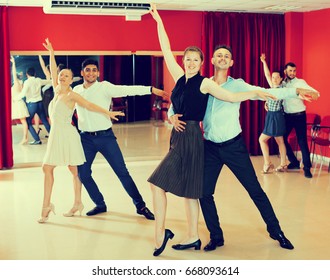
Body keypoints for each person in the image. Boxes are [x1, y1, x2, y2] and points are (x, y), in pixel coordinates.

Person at [148, 5, 277, 257]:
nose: (191, 63)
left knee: (156, 183)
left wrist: (257, 92)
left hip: (193, 137)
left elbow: (230, 96)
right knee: (190, 190)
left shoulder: (205, 82)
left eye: (196, 60)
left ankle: (159, 235)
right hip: (178, 136)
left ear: (202, 63)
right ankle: (194, 235)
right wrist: (159, 21)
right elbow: (165, 48)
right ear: (183, 61)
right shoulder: (179, 77)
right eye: (188, 59)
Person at [169, 45, 316, 252]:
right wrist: (171, 116)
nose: (222, 58)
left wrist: (295, 91)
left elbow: (265, 92)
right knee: (203, 192)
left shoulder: (237, 85)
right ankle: (216, 236)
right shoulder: (202, 83)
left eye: (226, 56)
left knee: (255, 190)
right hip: (209, 146)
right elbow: (177, 104)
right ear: (211, 60)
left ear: (231, 63)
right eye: (218, 55)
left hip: (233, 146)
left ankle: (276, 232)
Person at [38, 38, 124, 223]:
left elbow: (90, 105)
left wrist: (107, 112)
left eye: (66, 76)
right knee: (47, 168)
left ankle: (77, 203)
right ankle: (46, 206)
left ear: (72, 79)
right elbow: (52, 71)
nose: (62, 77)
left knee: (74, 170)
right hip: (55, 135)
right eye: (61, 75)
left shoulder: (72, 95)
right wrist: (52, 52)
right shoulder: (56, 89)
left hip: (68, 135)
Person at [73, 53, 167, 221]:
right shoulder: (77, 90)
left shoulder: (104, 87)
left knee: (122, 172)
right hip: (85, 139)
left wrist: (150, 89)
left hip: (106, 137)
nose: (91, 73)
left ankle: (140, 205)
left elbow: (127, 89)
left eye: (94, 70)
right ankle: (100, 204)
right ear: (82, 73)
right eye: (87, 70)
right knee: (83, 174)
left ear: (98, 73)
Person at [282, 62, 320, 178]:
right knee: (281, 139)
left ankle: (307, 168)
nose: (292, 73)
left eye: (294, 71)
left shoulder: (300, 82)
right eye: (290, 71)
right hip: (287, 116)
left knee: (302, 141)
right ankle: (294, 162)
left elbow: (316, 93)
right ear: (285, 71)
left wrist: (312, 94)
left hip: (299, 116)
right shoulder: (282, 84)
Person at [259, 53, 287, 173]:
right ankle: (283, 163)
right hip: (271, 115)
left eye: (277, 77)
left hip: (275, 116)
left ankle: (267, 163)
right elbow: (267, 74)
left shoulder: (281, 90)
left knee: (262, 139)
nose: (274, 79)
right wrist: (264, 62)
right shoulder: (272, 87)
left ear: (281, 79)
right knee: (280, 140)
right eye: (273, 77)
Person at [19, 64, 52, 145]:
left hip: (32, 105)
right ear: (35, 73)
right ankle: (53, 137)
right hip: (40, 103)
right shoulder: (38, 80)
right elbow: (49, 81)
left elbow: (22, 94)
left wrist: (14, 98)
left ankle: (37, 139)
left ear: (27, 74)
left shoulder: (27, 82)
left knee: (28, 122)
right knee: (44, 121)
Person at [10, 56, 30, 145]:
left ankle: (25, 138)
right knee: (23, 121)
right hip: (17, 104)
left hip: (18, 104)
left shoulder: (17, 83)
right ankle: (25, 138)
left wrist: (13, 63)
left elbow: (13, 73)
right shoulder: (20, 84)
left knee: (23, 121)